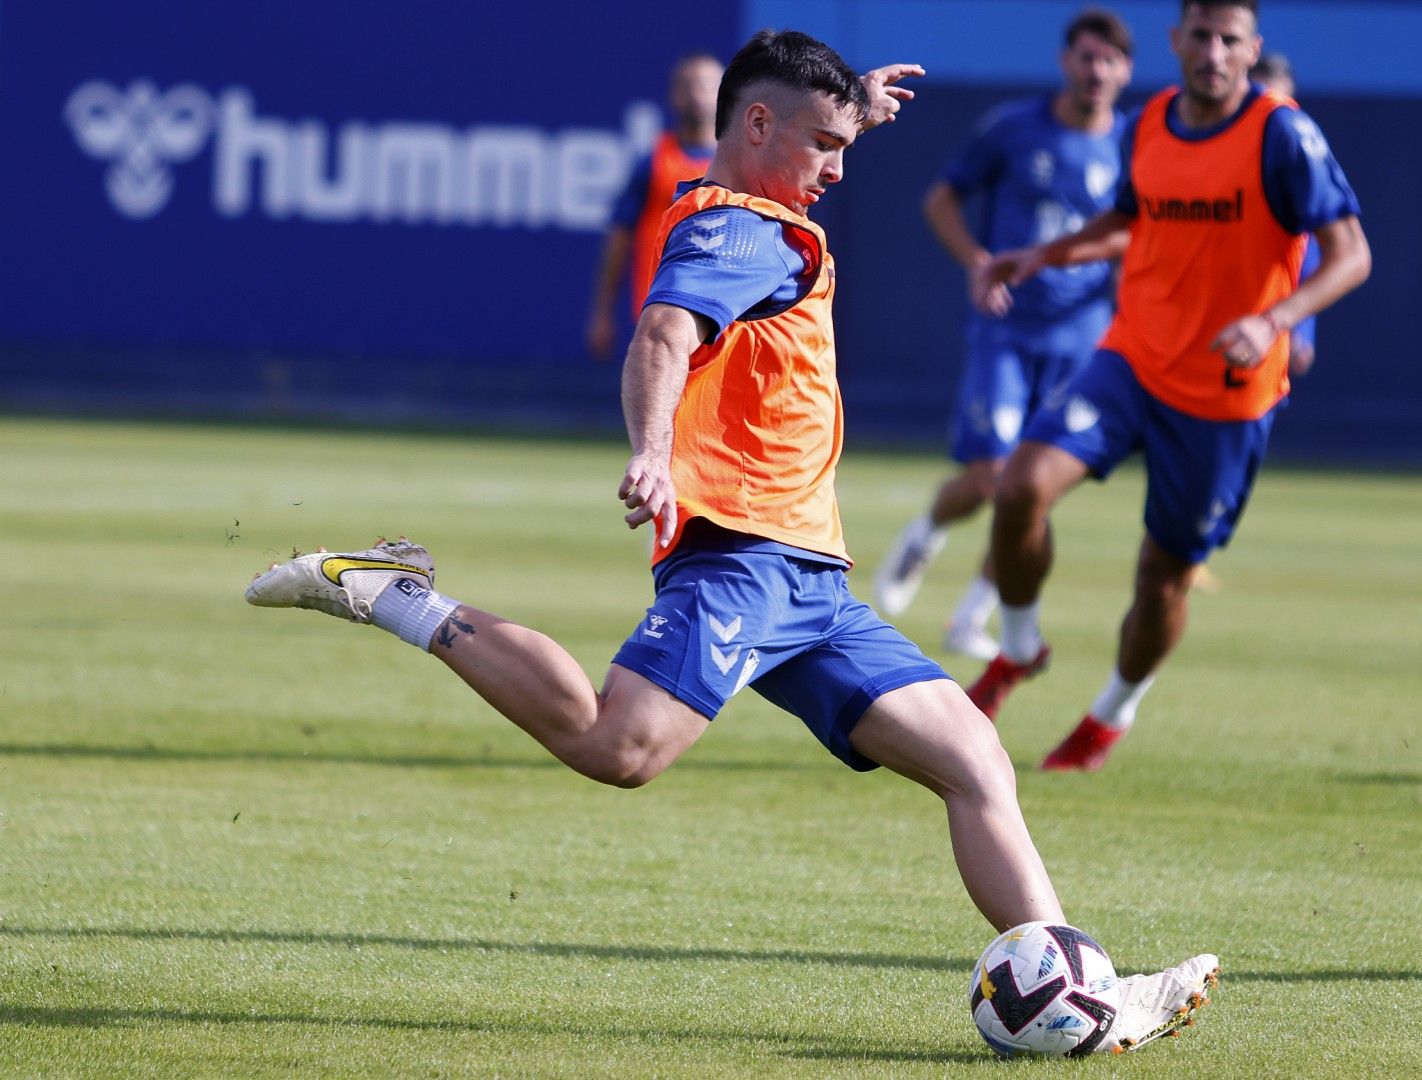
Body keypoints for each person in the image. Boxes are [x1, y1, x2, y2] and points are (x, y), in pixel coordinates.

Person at [245, 29, 1217, 1053]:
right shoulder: (747, 227)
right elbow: (665, 331)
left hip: (812, 582)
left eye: (848, 143)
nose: (838, 168)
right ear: (756, 126)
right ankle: (396, 594)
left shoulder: (764, 209)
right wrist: (652, 450)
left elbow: (769, 187)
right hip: (743, 558)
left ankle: (1083, 999)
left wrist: (849, 110)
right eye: (824, 144)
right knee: (618, 747)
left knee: (974, 758)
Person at [968, 0, 1371, 772]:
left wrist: (1274, 320)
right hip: (1132, 358)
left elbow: (1352, 255)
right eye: (1200, 35)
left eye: (1230, 39)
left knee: (1162, 579)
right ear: (1175, 41)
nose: (1213, 52)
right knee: (1021, 486)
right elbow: (1130, 221)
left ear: (1252, 48)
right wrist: (1042, 256)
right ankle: (1019, 647)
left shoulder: (1281, 133)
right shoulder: (1149, 119)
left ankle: (1110, 715)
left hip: (1226, 392)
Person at [871, 9, 1134, 662]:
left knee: (1033, 490)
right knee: (993, 479)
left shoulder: (1136, 144)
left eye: (1108, 60)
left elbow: (1143, 232)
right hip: (1008, 330)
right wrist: (979, 262)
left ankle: (971, 619)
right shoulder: (1016, 129)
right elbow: (941, 199)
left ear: (1125, 70)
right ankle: (928, 528)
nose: (1096, 71)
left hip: (1084, 339)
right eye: (1086, 57)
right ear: (1064, 62)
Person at [585, 54, 724, 360]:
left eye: (707, 86)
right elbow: (619, 239)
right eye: (689, 86)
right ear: (674, 96)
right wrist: (602, 312)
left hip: (722, 313)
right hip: (660, 309)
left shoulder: (738, 164)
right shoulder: (654, 163)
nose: (698, 95)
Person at [1251, 52, 1319, 379]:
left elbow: (1310, 256)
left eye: (1282, 104)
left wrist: (1300, 328)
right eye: (1264, 100)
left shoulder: (1297, 161)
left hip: (1263, 334)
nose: (1273, 115)